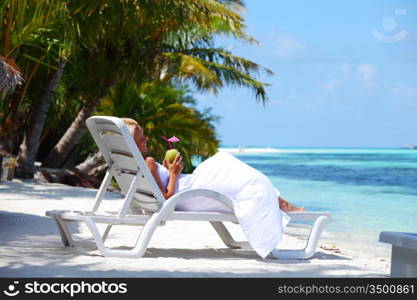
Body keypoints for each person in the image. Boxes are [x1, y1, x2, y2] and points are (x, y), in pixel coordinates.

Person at [121, 118, 305, 213]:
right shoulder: (148, 162)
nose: (146, 139)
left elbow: (160, 192)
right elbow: (167, 199)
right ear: (130, 142)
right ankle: (283, 205)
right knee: (243, 180)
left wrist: (169, 174)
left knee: (235, 173)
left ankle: (280, 204)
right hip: (189, 193)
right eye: (141, 138)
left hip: (189, 189)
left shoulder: (130, 165)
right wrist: (174, 173)